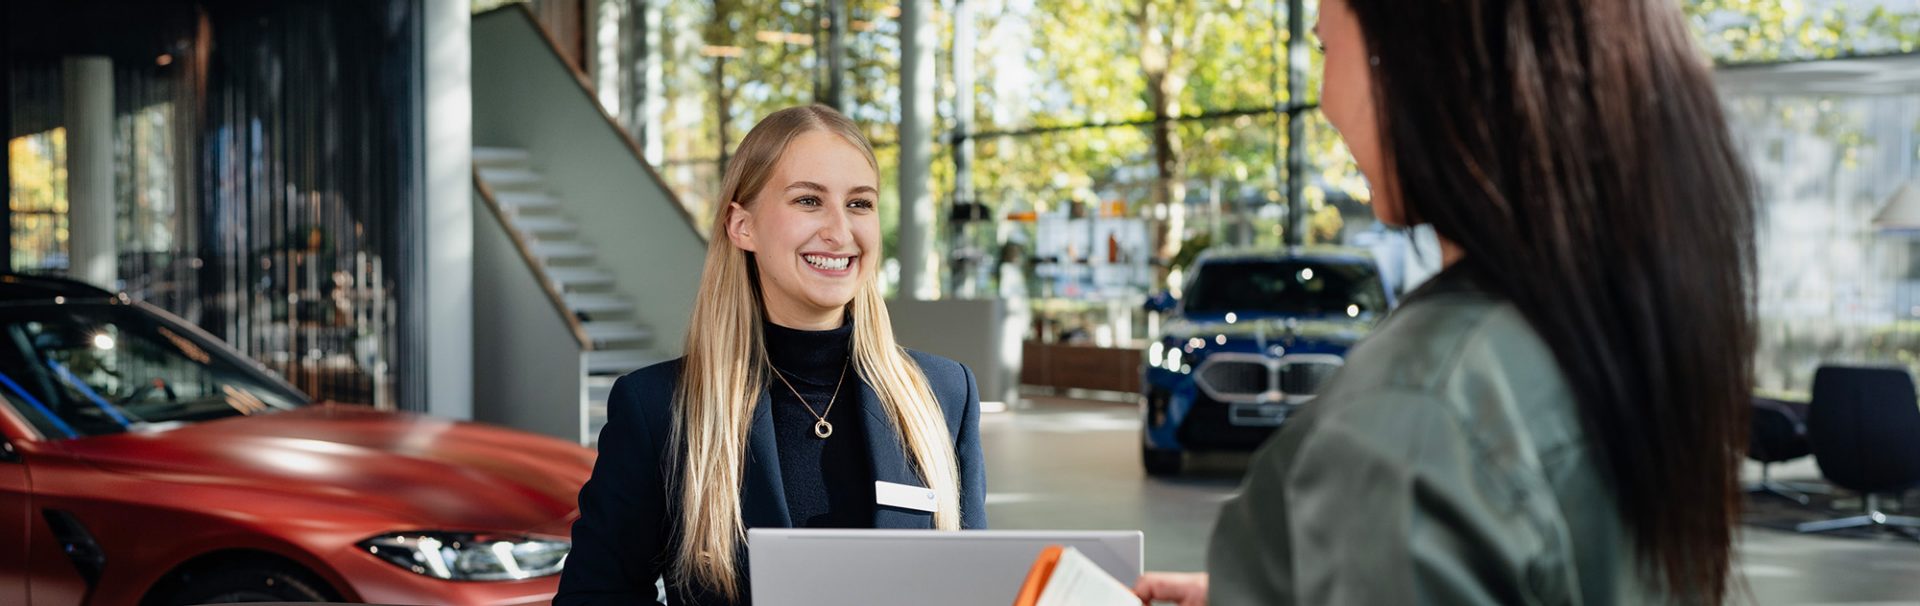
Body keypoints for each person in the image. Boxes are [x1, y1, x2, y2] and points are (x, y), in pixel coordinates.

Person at [1135, 0, 1754, 603]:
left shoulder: (1418, 407)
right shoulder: (1609, 332)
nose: (1323, 101)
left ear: (1418, 55)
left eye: (1326, 47)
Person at [556, 105, 989, 605]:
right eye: (809, 200)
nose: (839, 231)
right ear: (743, 226)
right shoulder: (659, 408)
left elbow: (972, 587)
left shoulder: (944, 394)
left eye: (859, 204)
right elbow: (594, 597)